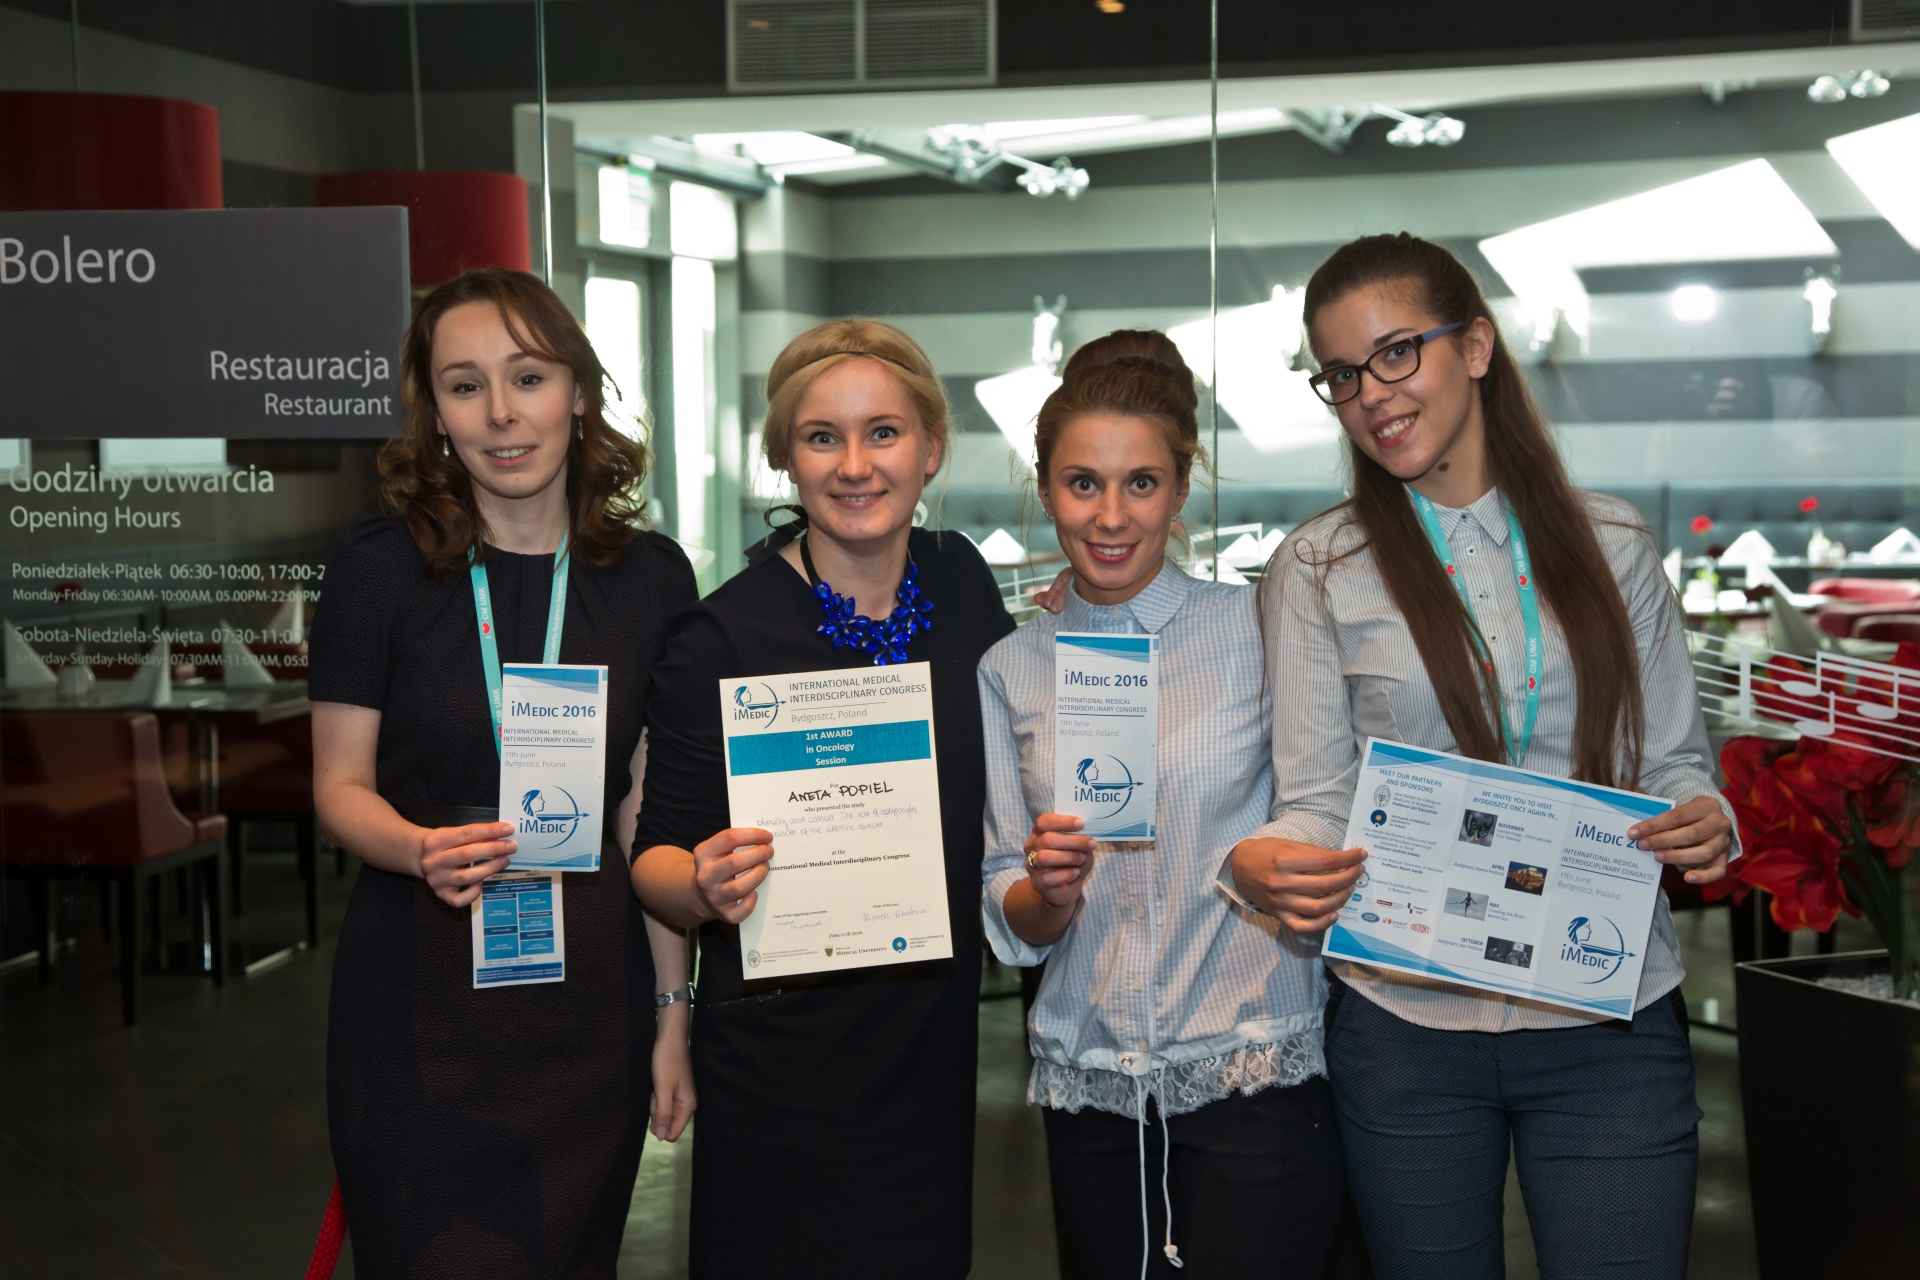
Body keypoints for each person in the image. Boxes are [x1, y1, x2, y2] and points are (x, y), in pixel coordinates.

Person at [1229, 234, 1734, 1280]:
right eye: (1341, 373)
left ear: (1476, 346)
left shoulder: (1616, 546)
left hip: (1607, 1009)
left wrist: (1702, 812)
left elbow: (1676, 764)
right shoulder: (1318, 567)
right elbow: (1319, 797)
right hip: (1406, 1023)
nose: (1371, 394)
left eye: (1396, 352)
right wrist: (1263, 858)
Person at [309, 268, 698, 1279]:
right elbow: (338, 786)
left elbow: (644, 816)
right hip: (418, 997)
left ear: (578, 391)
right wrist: (419, 848)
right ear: (435, 413)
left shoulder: (652, 579)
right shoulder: (377, 567)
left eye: (528, 377)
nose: (501, 413)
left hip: (592, 1006)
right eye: (465, 385)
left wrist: (672, 1014)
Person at [628, 320, 1013, 1279]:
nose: (854, 465)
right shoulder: (720, 638)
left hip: (927, 1049)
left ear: (931, 448)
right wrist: (700, 886)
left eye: (883, 432)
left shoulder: (963, 585)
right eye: (821, 438)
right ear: (785, 459)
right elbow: (654, 859)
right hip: (777, 1065)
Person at [980, 331, 1343, 1278]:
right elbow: (1007, 906)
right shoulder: (1011, 667)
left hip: (1250, 1070)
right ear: (1045, 488)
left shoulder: (1258, 628)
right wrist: (1047, 891)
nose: (1111, 516)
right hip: (1091, 1085)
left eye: (1141, 483)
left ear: (1181, 492)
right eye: (1082, 484)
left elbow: (1326, 800)